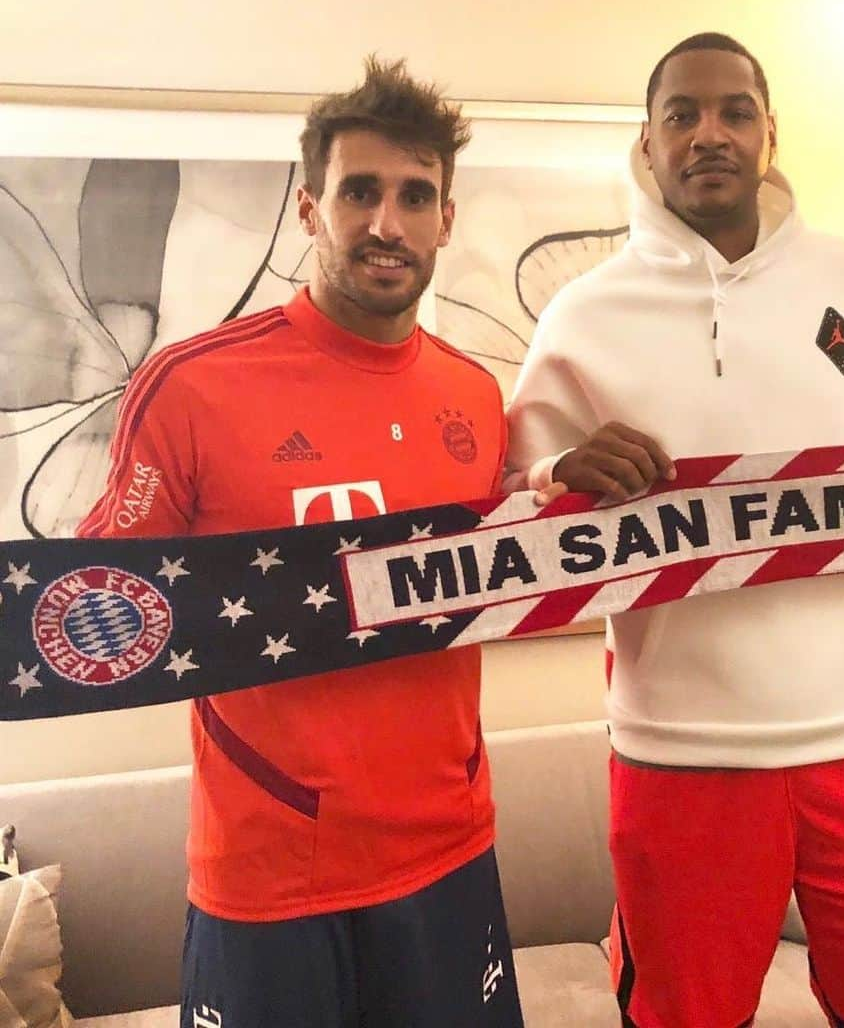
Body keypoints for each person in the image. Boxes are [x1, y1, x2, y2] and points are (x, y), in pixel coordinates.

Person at [505, 32, 844, 1028]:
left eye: (734, 111)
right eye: (682, 113)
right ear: (647, 140)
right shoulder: (582, 317)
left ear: (772, 132)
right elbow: (511, 511)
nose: (709, 133)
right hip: (680, 760)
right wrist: (558, 472)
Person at [79, 57, 526, 1028]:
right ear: (310, 209)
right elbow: (92, 605)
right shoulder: (192, 386)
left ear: (447, 219)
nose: (386, 222)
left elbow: (505, 561)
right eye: (359, 191)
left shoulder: (476, 395)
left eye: (416, 196)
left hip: (450, 853)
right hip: (270, 880)